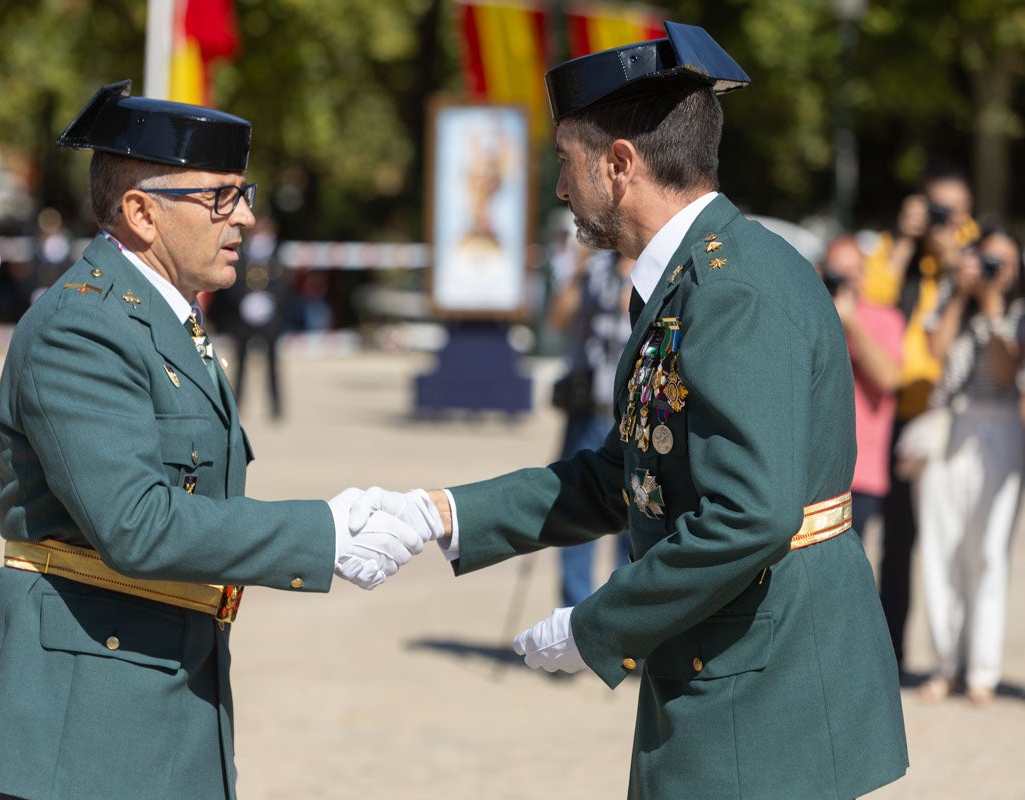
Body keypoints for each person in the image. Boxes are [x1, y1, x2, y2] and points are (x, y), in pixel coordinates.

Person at [349, 23, 908, 798]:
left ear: (619, 165)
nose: (559, 189)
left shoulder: (729, 290)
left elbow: (749, 514)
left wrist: (595, 627)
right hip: (736, 656)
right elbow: (631, 470)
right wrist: (440, 514)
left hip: (764, 683)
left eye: (565, 163)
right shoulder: (694, 276)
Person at [0, 80, 424, 800]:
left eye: (245, 193)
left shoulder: (161, 318)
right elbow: (138, 524)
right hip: (84, 723)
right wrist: (321, 532)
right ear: (142, 211)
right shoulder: (81, 329)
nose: (246, 217)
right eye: (221, 197)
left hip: (159, 686)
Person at [861, 165, 978, 673]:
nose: (940, 220)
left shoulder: (969, 250)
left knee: (951, 539)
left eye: (950, 212)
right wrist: (907, 240)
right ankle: (891, 651)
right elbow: (873, 298)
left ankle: (955, 658)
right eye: (935, 209)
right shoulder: (902, 255)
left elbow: (970, 286)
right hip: (894, 416)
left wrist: (949, 249)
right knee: (898, 542)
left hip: (945, 414)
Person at [913, 224, 1024, 706]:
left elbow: (1006, 373)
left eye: (1005, 263)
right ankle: (946, 664)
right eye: (989, 261)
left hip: (999, 426)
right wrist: (962, 293)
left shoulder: (1017, 312)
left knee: (989, 549)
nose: (995, 271)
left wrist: (995, 308)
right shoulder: (951, 295)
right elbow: (936, 354)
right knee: (940, 548)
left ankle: (982, 669)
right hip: (948, 425)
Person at [547, 242, 633, 606]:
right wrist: (580, 271)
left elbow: (631, 306)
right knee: (573, 509)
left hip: (636, 412)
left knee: (637, 519)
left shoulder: (660, 263)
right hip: (589, 409)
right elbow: (557, 318)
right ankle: (575, 616)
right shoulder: (593, 268)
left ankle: (625, 623)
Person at [820, 234, 905, 539]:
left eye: (853, 271)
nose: (845, 280)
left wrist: (851, 321)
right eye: (837, 271)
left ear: (864, 273)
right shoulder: (810, 315)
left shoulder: (886, 318)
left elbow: (890, 378)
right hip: (814, 469)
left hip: (862, 473)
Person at [212, 214, 289, 419]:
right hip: (243, 316)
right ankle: (236, 404)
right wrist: (243, 301)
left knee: (272, 363)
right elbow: (233, 280)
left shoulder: (278, 253)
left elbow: (284, 283)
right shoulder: (243, 253)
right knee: (241, 362)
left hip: (269, 316)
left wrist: (270, 301)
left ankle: (276, 407)